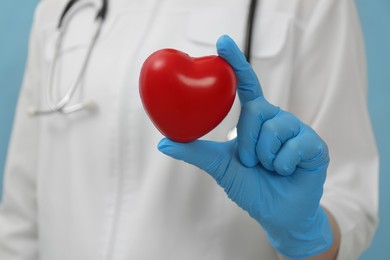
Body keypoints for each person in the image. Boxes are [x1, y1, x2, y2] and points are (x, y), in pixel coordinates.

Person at [0, 0, 379, 259]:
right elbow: (19, 215)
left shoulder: (313, 5)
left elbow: (349, 196)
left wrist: (305, 233)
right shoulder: (57, 8)